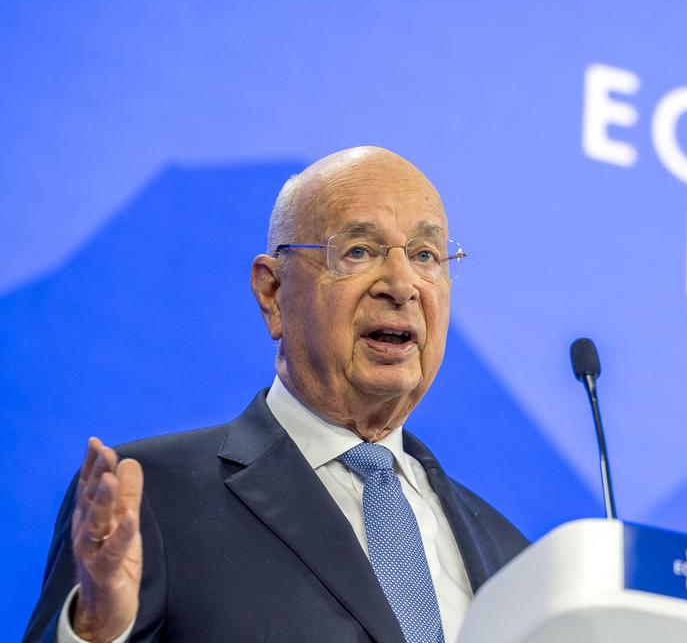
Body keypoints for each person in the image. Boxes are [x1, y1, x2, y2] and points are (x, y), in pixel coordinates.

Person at [23, 147, 529, 643]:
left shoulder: (509, 555)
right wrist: (95, 633)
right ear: (272, 294)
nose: (401, 284)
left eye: (425, 256)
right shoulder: (153, 500)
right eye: (358, 252)